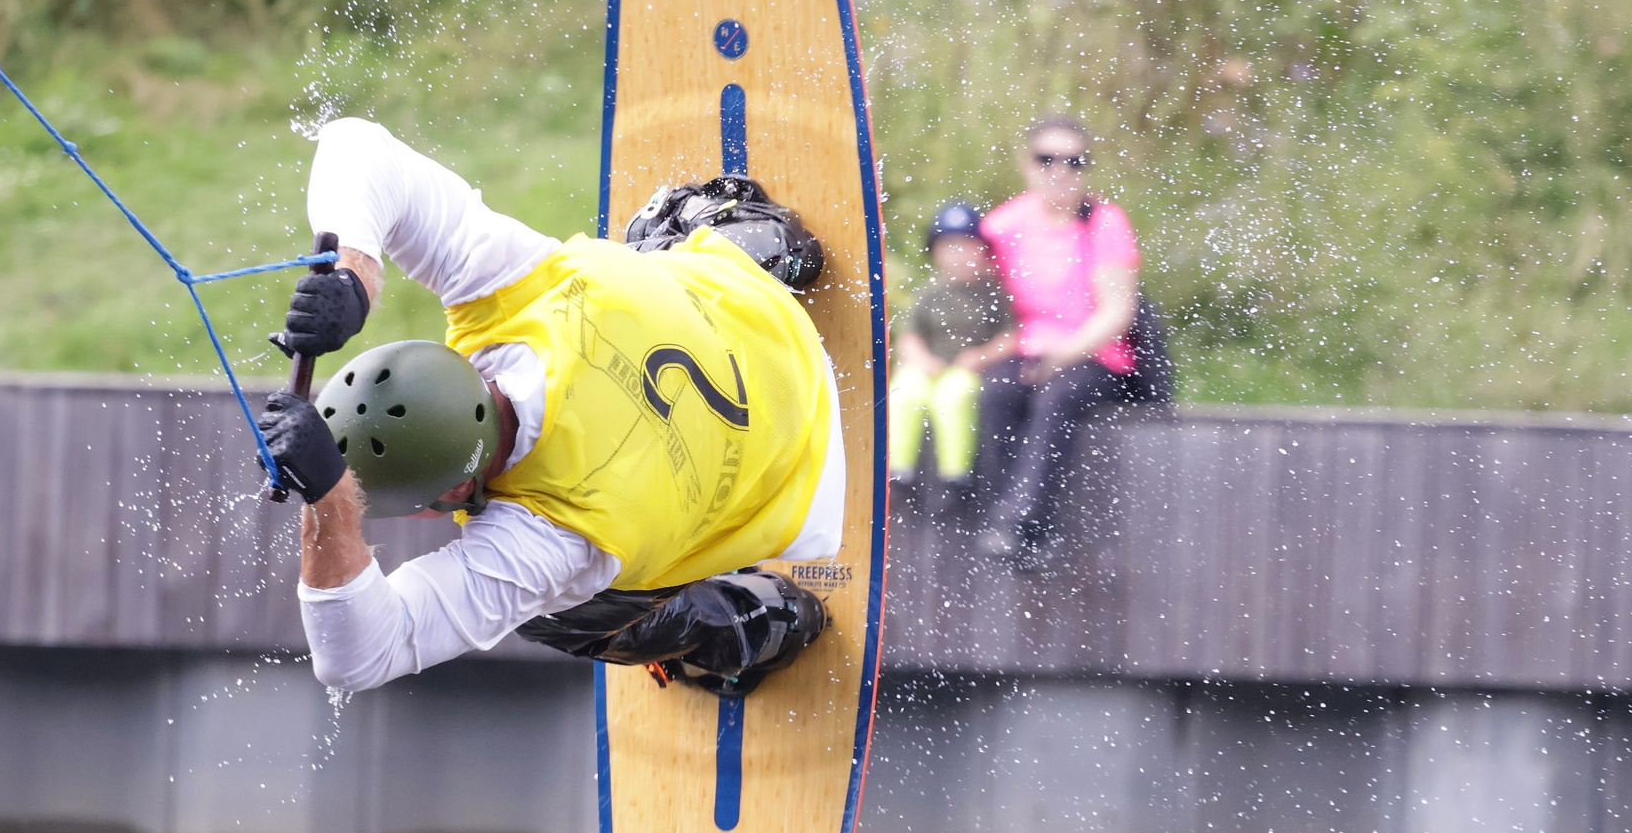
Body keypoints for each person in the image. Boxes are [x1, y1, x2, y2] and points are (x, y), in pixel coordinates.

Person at [257, 118, 846, 698]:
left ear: (457, 491)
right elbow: (355, 143)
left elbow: (357, 659)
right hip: (766, 315)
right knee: (650, 237)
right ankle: (780, 244)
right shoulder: (510, 286)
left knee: (547, 615)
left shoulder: (547, 540)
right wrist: (349, 276)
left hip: (803, 480)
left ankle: (759, 622)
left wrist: (330, 499)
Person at [970, 117, 1140, 572]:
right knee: (998, 392)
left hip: (1095, 356)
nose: (1060, 170)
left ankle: (1027, 519)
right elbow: (975, 298)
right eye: (1047, 159)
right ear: (1026, 164)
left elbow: (1117, 310)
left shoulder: (1104, 222)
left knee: (1059, 396)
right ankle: (1002, 518)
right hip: (1024, 350)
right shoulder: (1004, 225)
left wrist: (1062, 356)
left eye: (1074, 161)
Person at [888, 201, 1016, 507]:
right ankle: (897, 469)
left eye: (965, 246)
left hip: (966, 369)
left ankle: (955, 474)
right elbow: (910, 337)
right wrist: (921, 360)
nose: (958, 255)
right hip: (930, 367)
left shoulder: (992, 293)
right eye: (949, 247)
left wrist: (982, 356)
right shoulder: (930, 293)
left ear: (982, 251)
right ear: (935, 252)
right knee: (905, 392)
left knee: (954, 396)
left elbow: (1010, 338)